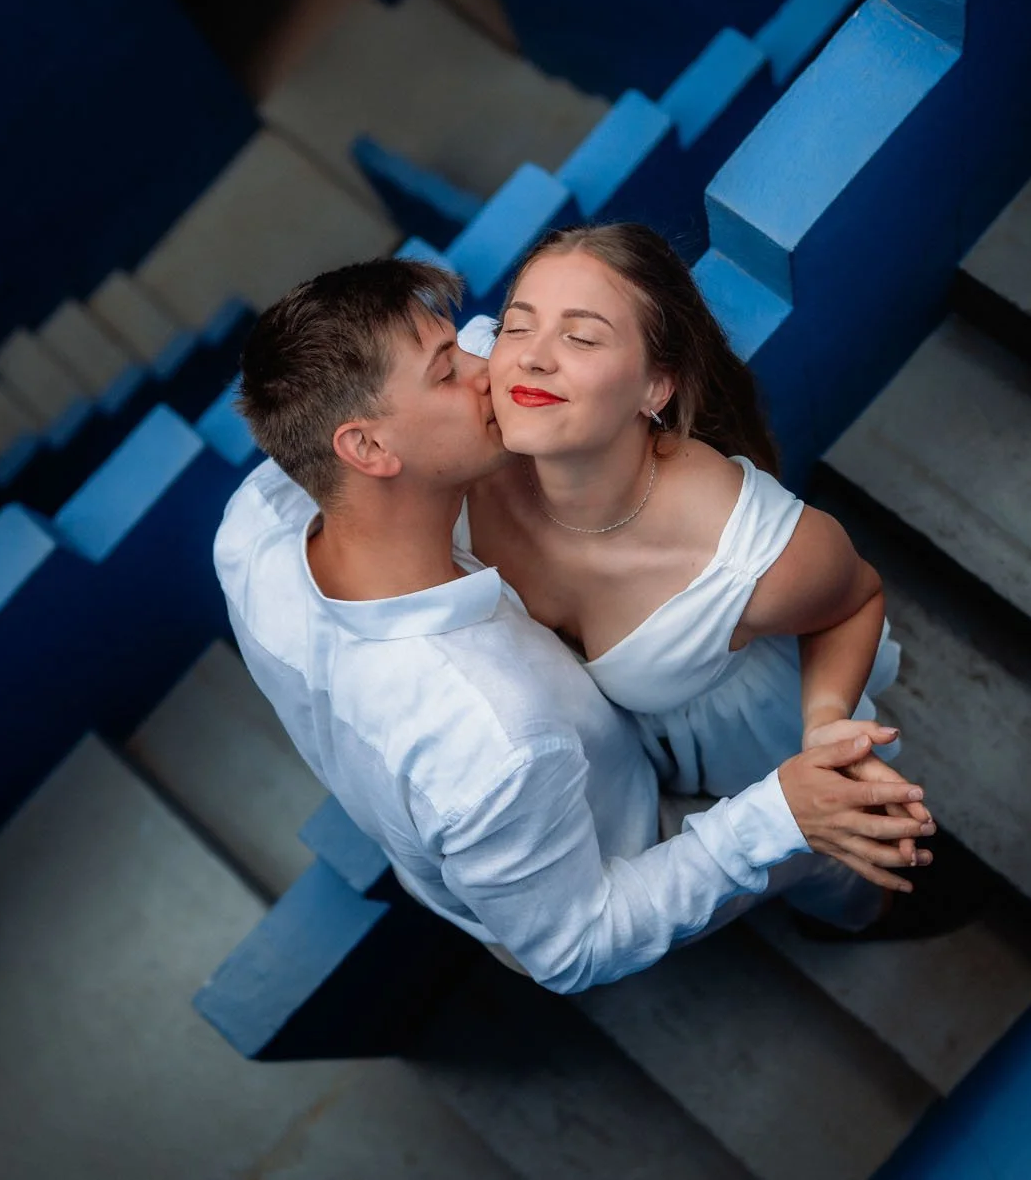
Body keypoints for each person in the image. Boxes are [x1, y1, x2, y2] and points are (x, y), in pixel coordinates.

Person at [214, 257, 933, 994]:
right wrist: (777, 818)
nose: (488, 367)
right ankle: (871, 915)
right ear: (366, 449)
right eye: (447, 371)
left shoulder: (254, 524)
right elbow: (577, 946)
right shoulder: (492, 739)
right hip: (615, 845)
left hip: (544, 798)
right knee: (826, 853)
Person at [461, 223, 931, 891]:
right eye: (517, 326)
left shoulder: (743, 552)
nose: (532, 357)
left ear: (656, 388)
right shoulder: (458, 407)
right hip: (619, 771)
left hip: (735, 734)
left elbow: (855, 599)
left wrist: (825, 720)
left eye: (581, 337)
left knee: (834, 878)